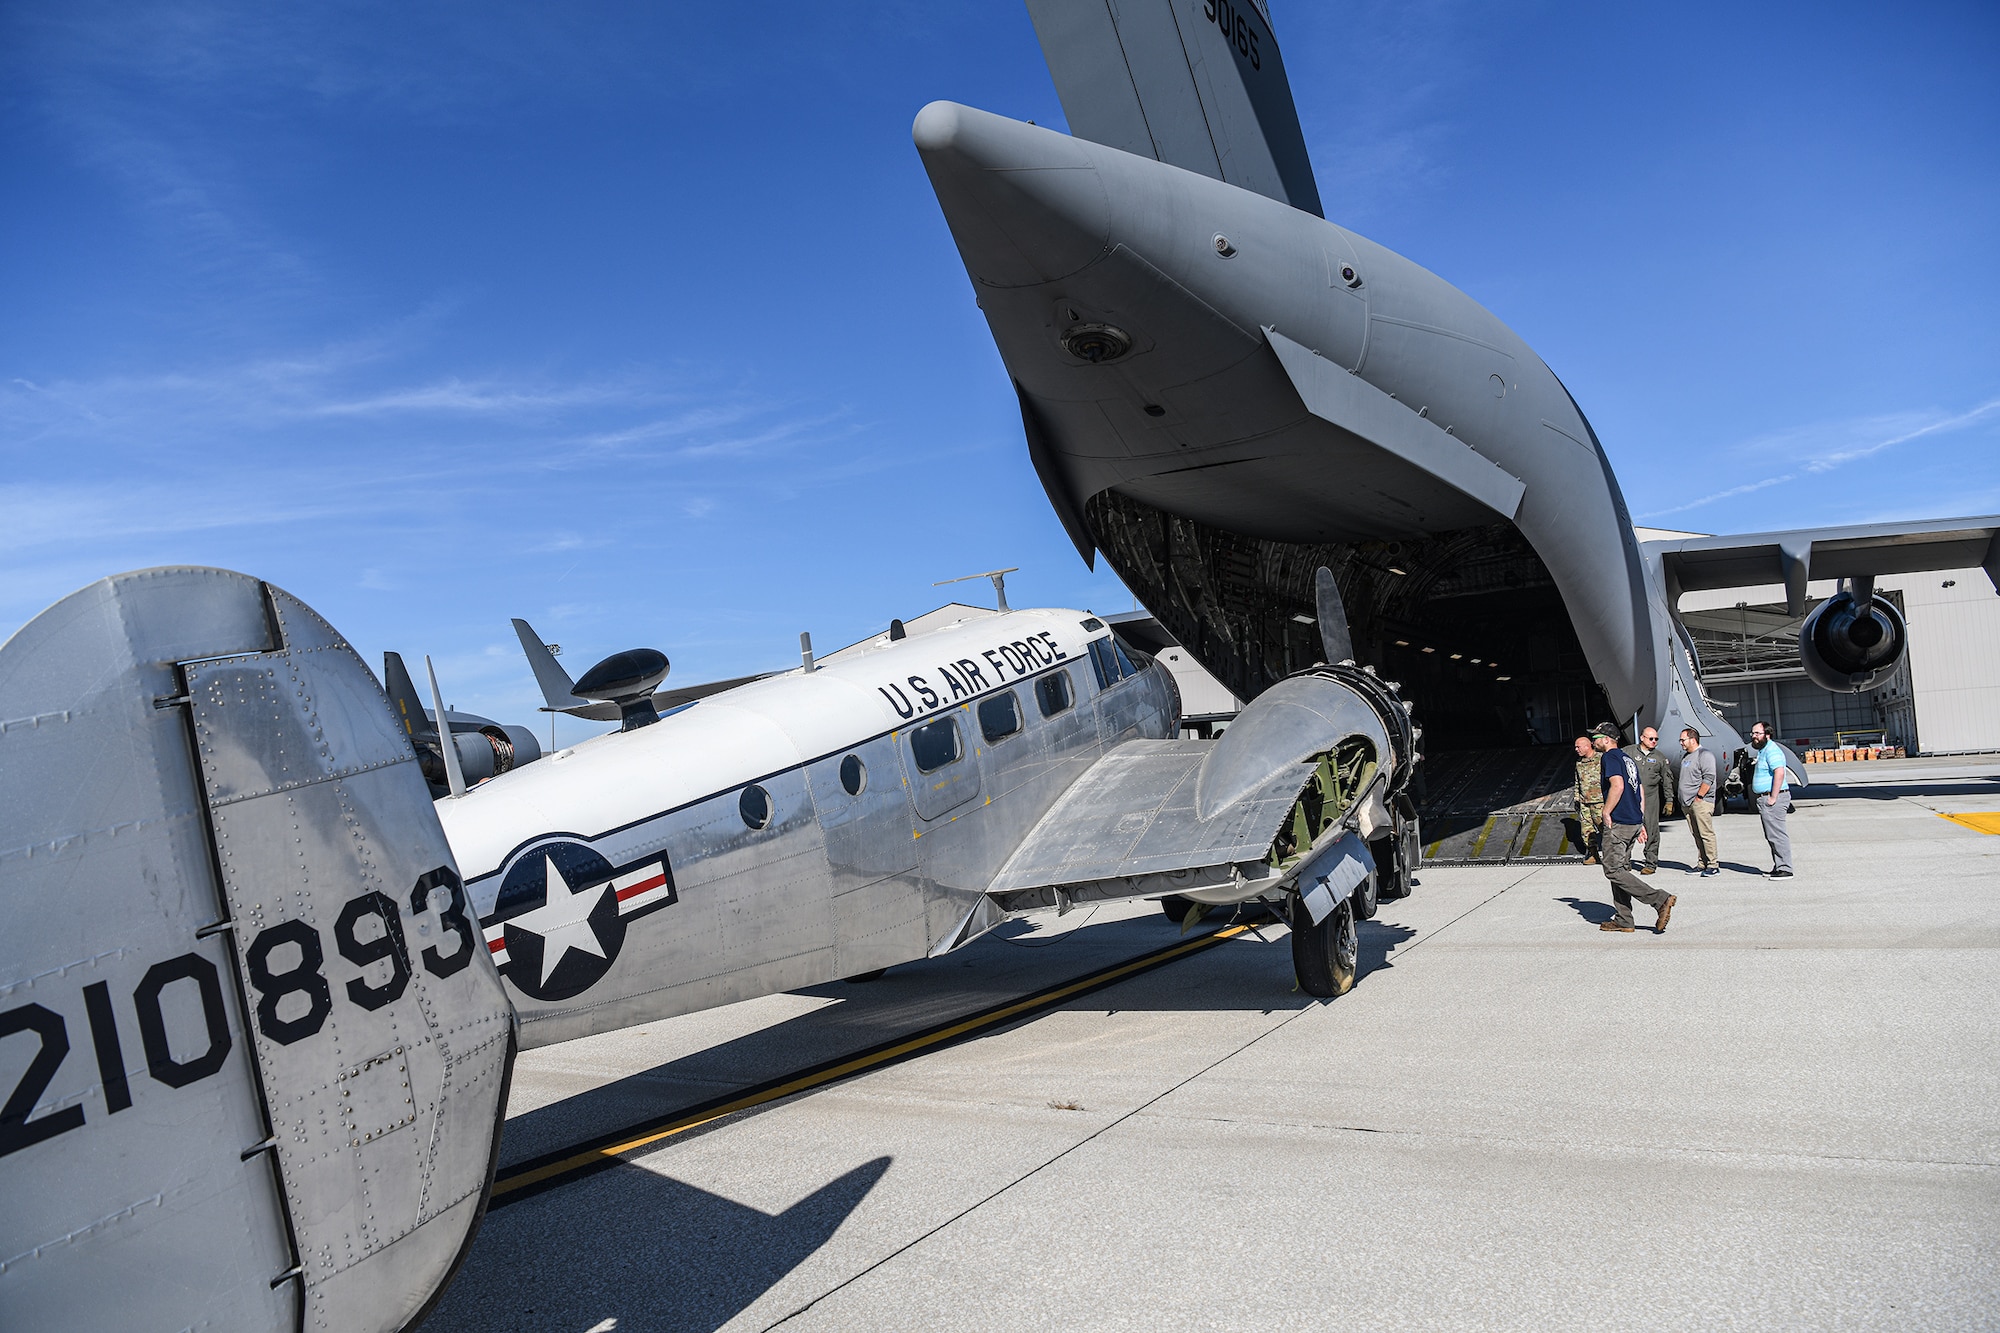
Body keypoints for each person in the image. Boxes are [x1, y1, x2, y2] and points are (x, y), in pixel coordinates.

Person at [1592, 726, 1676, 933]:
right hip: (1633, 820)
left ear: (1607, 739)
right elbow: (1639, 788)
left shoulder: (1610, 757)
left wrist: (1606, 811)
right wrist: (1641, 820)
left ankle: (1660, 899)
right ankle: (1624, 919)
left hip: (1618, 821)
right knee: (1620, 870)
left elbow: (1618, 786)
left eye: (1596, 737)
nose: (1593, 740)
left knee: (1612, 869)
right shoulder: (1628, 758)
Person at [1747, 720, 1795, 878]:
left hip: (1773, 797)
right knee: (1771, 834)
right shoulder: (1763, 750)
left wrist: (1772, 798)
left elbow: (1779, 773)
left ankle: (1785, 868)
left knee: (1777, 834)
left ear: (1767, 735)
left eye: (1757, 733)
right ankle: (1779, 864)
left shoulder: (1772, 750)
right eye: (1753, 733)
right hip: (1766, 797)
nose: (1754, 736)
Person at [1632, 725, 1674, 874]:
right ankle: (1624, 861)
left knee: (1652, 829)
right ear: (1642, 738)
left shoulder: (1659, 758)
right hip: (1631, 797)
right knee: (1627, 829)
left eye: (1656, 739)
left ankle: (1650, 862)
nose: (1654, 741)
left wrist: (1669, 800)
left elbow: (1667, 780)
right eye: (1651, 738)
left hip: (1650, 798)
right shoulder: (1629, 752)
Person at [1677, 727, 1719, 875]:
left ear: (1693, 740)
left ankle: (1713, 865)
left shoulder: (1704, 755)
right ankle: (1702, 863)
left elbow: (1709, 777)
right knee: (1696, 834)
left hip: (1700, 802)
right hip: (1687, 803)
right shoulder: (1686, 757)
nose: (1681, 742)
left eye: (1683, 740)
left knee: (1706, 834)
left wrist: (1699, 797)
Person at [1571, 735, 1603, 863]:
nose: (1576, 749)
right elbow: (1577, 782)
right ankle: (1593, 854)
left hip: (1600, 802)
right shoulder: (1579, 763)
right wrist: (1577, 798)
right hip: (1585, 803)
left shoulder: (1601, 759)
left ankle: (1613, 856)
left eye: (1578, 746)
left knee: (1605, 830)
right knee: (1586, 831)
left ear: (1587, 745)